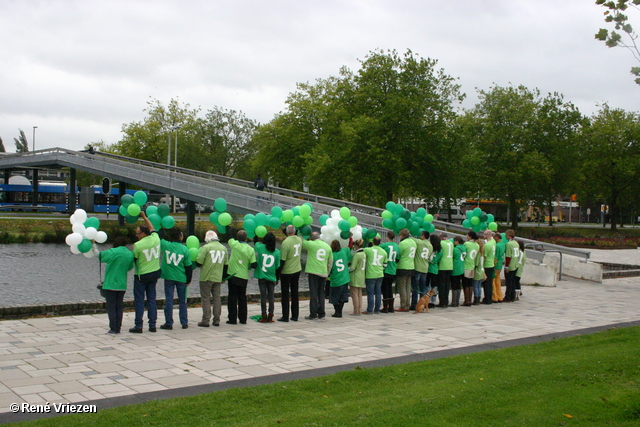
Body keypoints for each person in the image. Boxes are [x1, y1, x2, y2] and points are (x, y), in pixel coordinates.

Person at [130, 212, 162, 333]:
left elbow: (134, 260)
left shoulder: (137, 246)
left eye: (138, 233)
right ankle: (152, 324)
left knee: (139, 300)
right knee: (151, 299)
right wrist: (144, 217)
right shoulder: (156, 238)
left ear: (142, 234)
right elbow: (152, 228)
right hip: (154, 273)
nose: (136, 235)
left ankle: (139, 325)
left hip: (141, 275)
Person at [98, 236, 134, 334]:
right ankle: (118, 327)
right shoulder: (130, 254)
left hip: (110, 284)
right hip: (122, 284)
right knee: (119, 306)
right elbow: (130, 267)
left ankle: (113, 328)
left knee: (111, 307)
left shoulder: (112, 252)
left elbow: (99, 256)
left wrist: (93, 244)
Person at [160, 227, 193, 330]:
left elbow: (158, 236)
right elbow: (188, 267)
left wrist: (161, 227)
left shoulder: (166, 245)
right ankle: (184, 322)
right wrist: (188, 280)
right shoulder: (185, 249)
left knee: (169, 299)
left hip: (169, 277)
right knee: (182, 301)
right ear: (180, 237)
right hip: (181, 278)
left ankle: (168, 323)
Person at [196, 230, 228, 327]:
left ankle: (205, 320)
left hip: (206, 277)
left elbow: (199, 262)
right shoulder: (224, 248)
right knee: (217, 298)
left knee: (206, 299)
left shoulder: (205, 248)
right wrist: (224, 277)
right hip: (218, 277)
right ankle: (217, 320)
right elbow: (226, 265)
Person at [227, 230, 257, 324]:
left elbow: (229, 235)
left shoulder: (234, 244)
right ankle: (243, 319)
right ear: (246, 238)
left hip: (232, 275)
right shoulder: (250, 249)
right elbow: (253, 265)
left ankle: (232, 319)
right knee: (242, 298)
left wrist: (228, 226)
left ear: (237, 238)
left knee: (232, 298)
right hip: (243, 276)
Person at [302, 232, 333, 320]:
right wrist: (328, 272)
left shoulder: (311, 244)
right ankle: (321, 313)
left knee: (313, 293)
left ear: (312, 238)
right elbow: (330, 261)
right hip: (323, 272)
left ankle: (313, 313)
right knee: (321, 293)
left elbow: (302, 240)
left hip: (313, 272)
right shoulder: (327, 246)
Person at [254, 232, 281, 323]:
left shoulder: (261, 248)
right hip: (272, 277)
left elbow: (255, 243)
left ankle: (264, 315)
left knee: (263, 297)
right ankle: (271, 315)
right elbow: (278, 267)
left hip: (262, 277)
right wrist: (277, 278)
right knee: (271, 297)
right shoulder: (277, 252)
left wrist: (256, 234)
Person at [278, 225, 303, 322]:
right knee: (295, 293)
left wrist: (278, 272)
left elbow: (282, 260)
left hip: (287, 271)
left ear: (286, 232)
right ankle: (295, 315)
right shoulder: (299, 240)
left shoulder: (285, 243)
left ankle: (285, 316)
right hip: (297, 269)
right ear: (295, 231)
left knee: (285, 295)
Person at [363, 236, 388, 314]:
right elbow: (385, 264)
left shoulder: (368, 250)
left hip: (370, 274)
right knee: (378, 292)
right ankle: (377, 309)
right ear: (380, 243)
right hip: (380, 274)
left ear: (372, 242)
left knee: (370, 293)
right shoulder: (384, 252)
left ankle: (369, 309)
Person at [396, 229, 417, 312]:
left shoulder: (402, 243)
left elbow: (398, 254)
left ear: (402, 235)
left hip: (403, 266)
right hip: (411, 266)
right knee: (408, 287)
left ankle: (403, 305)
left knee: (402, 287)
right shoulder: (413, 242)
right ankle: (408, 303)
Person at [329, 240, 351, 318]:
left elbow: (329, 267)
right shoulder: (344, 252)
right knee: (342, 297)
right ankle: (340, 311)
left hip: (336, 279)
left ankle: (337, 311)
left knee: (334, 297)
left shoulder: (332, 255)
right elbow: (349, 246)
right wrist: (350, 238)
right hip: (344, 278)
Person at [379, 231, 400, 313]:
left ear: (387, 237)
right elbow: (398, 257)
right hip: (393, 269)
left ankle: (385, 307)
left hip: (386, 269)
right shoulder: (397, 246)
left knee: (385, 288)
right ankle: (391, 307)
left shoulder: (384, 245)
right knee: (390, 288)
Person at [412, 231, 432, 310]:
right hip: (425, 267)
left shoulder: (419, 243)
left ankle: (414, 304)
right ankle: (422, 304)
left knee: (415, 287)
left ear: (423, 236)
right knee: (423, 287)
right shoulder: (430, 245)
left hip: (417, 267)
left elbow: (412, 239)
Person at [462, 231, 480, 307]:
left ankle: (466, 300)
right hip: (472, 265)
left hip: (466, 265)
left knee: (465, 284)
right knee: (470, 284)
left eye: (467, 235)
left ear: (470, 236)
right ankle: (470, 299)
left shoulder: (466, 244)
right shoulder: (477, 245)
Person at [349, 239, 366, 316]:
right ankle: (359, 309)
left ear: (356, 246)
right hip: (362, 275)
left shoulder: (357, 255)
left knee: (354, 294)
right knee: (359, 294)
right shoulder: (364, 253)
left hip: (355, 276)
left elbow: (352, 267)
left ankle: (355, 310)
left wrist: (346, 269)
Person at [437, 233, 454, 308]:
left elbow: (439, 253)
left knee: (441, 285)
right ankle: (446, 301)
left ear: (441, 237)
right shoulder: (451, 243)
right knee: (447, 285)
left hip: (442, 265)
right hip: (450, 265)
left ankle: (442, 302)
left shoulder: (441, 243)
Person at [503, 229, 519, 302]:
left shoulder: (509, 244)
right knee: (513, 281)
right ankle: (513, 295)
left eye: (506, 235)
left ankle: (508, 296)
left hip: (511, 265)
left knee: (508, 282)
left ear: (509, 236)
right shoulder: (516, 243)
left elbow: (508, 256)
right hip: (515, 264)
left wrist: (506, 266)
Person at [427, 234, 442, 308]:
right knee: (434, 286)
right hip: (435, 268)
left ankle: (428, 300)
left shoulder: (430, 248)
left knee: (428, 286)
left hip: (429, 268)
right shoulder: (440, 250)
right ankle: (433, 301)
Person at [451, 236, 466, 307]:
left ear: (457, 241)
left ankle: (454, 301)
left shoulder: (456, 249)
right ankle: (457, 300)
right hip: (462, 268)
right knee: (458, 285)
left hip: (456, 268)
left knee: (454, 285)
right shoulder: (464, 248)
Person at [482, 230, 496, 304]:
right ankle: (489, 297)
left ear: (488, 235)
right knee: (490, 283)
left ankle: (487, 298)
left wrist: (481, 265)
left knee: (486, 283)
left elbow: (484, 256)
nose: (483, 235)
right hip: (491, 264)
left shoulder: (487, 245)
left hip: (487, 265)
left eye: (484, 234)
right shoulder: (493, 242)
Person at [492, 232, 506, 302]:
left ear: (497, 237)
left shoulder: (497, 246)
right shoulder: (503, 244)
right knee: (498, 281)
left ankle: (494, 297)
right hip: (500, 265)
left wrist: (493, 265)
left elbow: (496, 257)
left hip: (496, 265)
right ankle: (500, 296)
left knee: (493, 281)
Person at [472, 239, 485, 305]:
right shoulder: (482, 254)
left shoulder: (478, 254)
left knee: (475, 286)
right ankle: (479, 298)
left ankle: (476, 299)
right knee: (479, 286)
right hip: (482, 271)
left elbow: (476, 263)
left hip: (477, 271)